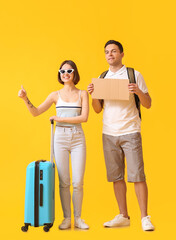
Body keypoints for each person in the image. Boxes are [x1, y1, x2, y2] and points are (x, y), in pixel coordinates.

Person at [87, 40, 154, 231]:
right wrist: (93, 95)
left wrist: (138, 91)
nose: (110, 54)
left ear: (122, 54)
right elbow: (98, 110)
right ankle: (123, 215)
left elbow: (148, 103)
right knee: (116, 176)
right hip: (109, 133)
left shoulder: (134, 74)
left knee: (137, 175)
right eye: (107, 52)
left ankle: (144, 217)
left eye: (114, 51)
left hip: (130, 131)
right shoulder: (103, 77)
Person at [18, 60, 89, 230]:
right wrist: (25, 98)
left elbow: (84, 118)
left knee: (78, 182)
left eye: (69, 70)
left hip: (78, 137)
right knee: (64, 181)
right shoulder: (54, 95)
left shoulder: (83, 94)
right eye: (62, 71)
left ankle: (78, 218)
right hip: (60, 138)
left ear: (75, 73)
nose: (66, 73)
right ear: (59, 74)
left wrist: (59, 118)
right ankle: (66, 219)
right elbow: (36, 112)